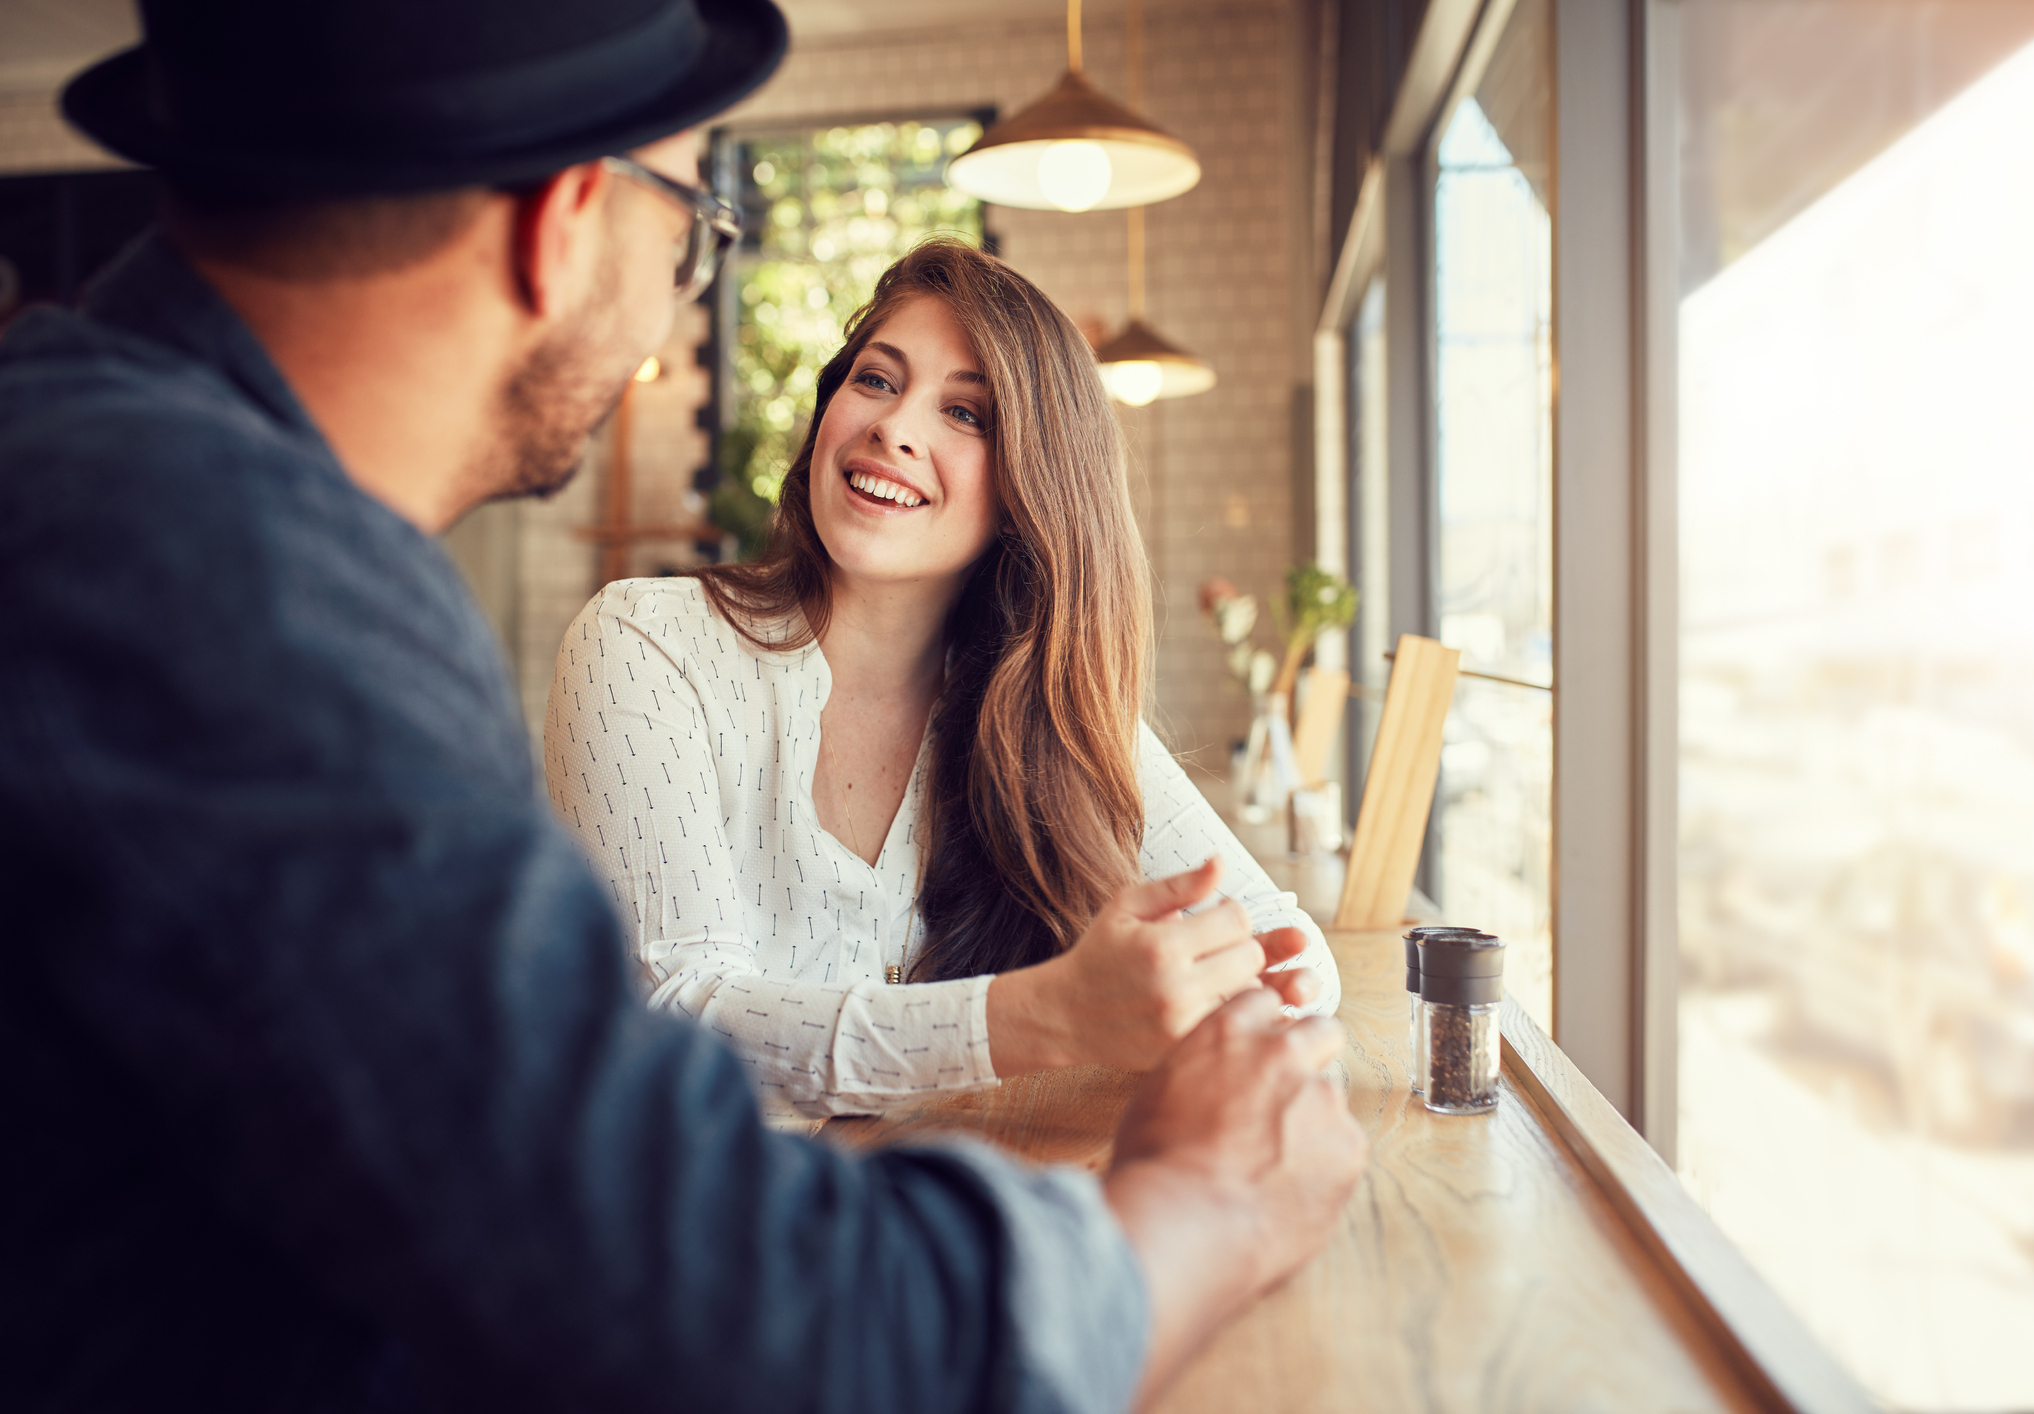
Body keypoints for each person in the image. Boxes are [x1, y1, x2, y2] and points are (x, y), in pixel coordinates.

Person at [0, 1, 1367, 1410]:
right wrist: (1204, 1202)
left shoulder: (152, 495)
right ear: (566, 219)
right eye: (692, 231)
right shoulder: (220, 591)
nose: (672, 296)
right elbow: (725, 1300)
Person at [546, 239, 1343, 1123]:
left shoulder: (1042, 701)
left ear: (1032, 489)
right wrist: (1047, 1019)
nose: (895, 426)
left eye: (966, 414)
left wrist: (1257, 985)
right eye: (877, 381)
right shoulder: (643, 644)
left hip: (923, 1225)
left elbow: (1277, 937)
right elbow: (679, 1014)